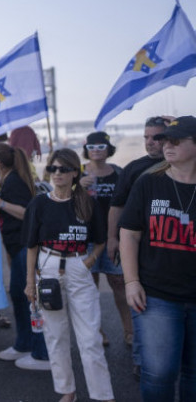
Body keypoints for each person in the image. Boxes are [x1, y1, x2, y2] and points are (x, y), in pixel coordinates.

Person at [24, 148, 114, 402]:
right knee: (56, 336)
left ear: (75, 172)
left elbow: (100, 240)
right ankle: (67, 391)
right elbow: (31, 245)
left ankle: (103, 395)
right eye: (53, 168)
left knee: (90, 339)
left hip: (78, 267)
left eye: (64, 169)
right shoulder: (39, 203)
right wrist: (30, 283)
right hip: (48, 267)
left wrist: (89, 261)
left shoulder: (87, 202)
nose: (58, 173)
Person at [119, 115, 196, 402]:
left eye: (176, 140)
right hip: (157, 295)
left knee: (194, 374)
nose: (166, 146)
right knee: (159, 373)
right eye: (164, 140)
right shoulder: (149, 183)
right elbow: (129, 233)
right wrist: (131, 281)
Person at [108, 115, 170, 378]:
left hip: (177, 249)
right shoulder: (134, 169)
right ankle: (141, 359)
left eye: (156, 137)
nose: (150, 142)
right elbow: (117, 205)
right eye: (146, 137)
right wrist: (112, 238)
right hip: (141, 249)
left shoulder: (186, 164)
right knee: (141, 305)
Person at [0, 143, 50, 371]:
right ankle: (24, 343)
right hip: (17, 248)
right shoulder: (7, 180)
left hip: (25, 248)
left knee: (31, 300)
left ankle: (42, 353)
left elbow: (27, 213)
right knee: (21, 297)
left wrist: (0, 203)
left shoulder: (14, 183)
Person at [79, 132, 132, 348]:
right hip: (85, 240)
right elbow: (60, 201)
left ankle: (129, 332)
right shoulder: (77, 173)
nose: (97, 149)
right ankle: (97, 331)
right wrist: (77, 186)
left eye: (101, 145)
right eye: (92, 146)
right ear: (87, 149)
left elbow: (128, 205)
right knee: (90, 288)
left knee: (119, 284)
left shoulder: (119, 174)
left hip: (112, 239)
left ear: (109, 148)